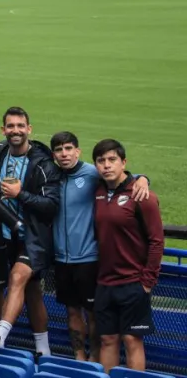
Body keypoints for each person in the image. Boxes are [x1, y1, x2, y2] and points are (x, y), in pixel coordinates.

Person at [51, 131, 150, 362]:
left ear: (78, 151)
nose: (64, 154)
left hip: (89, 259)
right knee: (72, 311)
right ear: (54, 154)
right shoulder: (51, 174)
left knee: (94, 314)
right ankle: (79, 358)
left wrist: (143, 178)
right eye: (59, 149)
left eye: (69, 148)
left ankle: (95, 358)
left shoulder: (91, 172)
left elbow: (122, 176)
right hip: (61, 259)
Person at [0, 107, 60, 356]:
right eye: (10, 126)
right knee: (32, 290)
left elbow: (51, 206)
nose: (15, 130)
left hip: (34, 237)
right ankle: (44, 349)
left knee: (18, 278)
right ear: (3, 130)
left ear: (29, 129)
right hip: (7, 237)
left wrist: (21, 195)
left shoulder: (42, 163)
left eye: (20, 126)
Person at [93, 139, 164, 373]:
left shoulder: (142, 195)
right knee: (108, 340)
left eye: (112, 160)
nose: (106, 165)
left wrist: (147, 282)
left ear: (124, 163)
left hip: (133, 283)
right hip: (104, 283)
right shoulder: (99, 191)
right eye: (101, 161)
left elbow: (156, 240)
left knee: (132, 341)